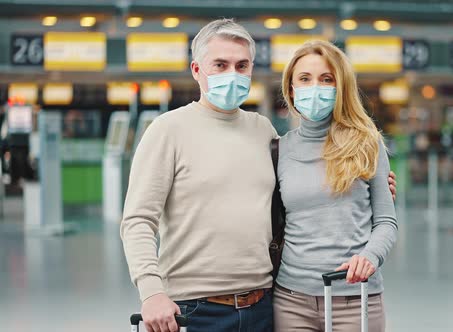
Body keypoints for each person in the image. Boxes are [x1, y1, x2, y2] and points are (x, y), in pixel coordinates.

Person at [120, 19, 397, 332]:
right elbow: (138, 220)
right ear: (197, 70)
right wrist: (151, 290)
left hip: (263, 304)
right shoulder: (167, 131)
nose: (232, 75)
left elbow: (299, 195)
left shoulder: (264, 133)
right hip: (194, 308)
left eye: (241, 65)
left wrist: (371, 190)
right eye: (220, 65)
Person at [272, 40, 397, 332]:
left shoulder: (367, 143)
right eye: (304, 79)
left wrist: (370, 256)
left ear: (340, 87)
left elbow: (386, 222)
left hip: (357, 297)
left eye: (326, 79)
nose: (314, 87)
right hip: (291, 301)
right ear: (290, 88)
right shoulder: (279, 150)